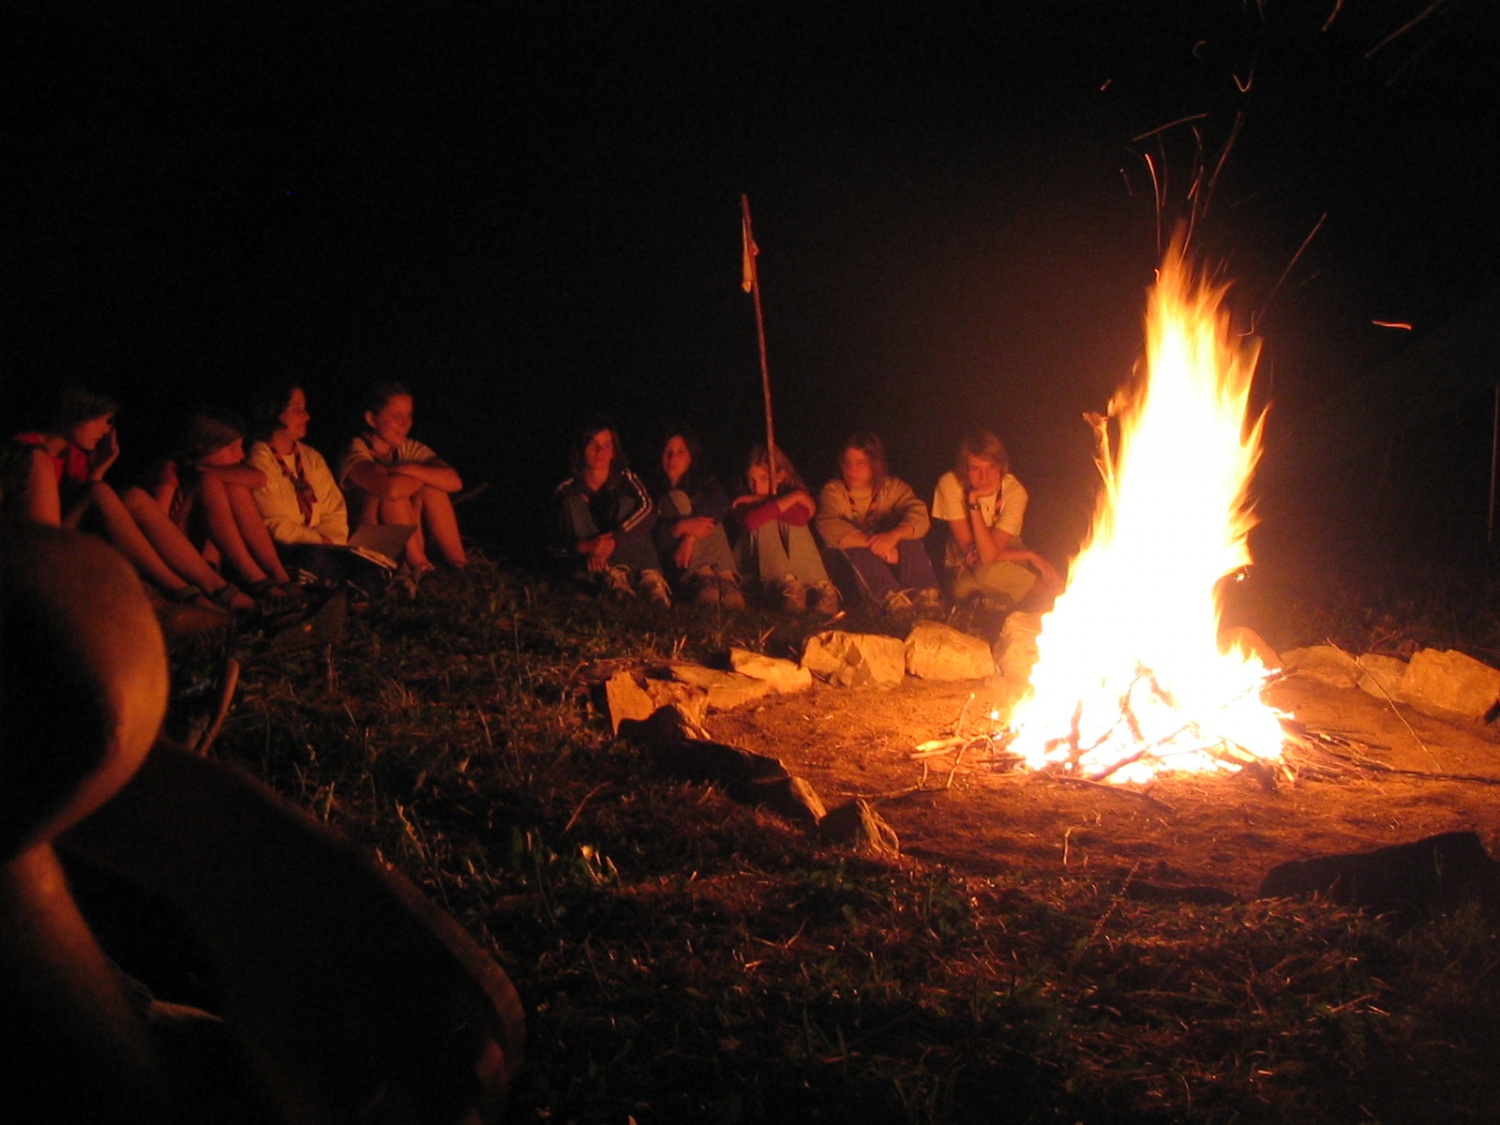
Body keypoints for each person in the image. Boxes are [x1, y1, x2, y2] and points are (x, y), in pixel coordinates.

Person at [3, 386, 254, 620]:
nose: (106, 430)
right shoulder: (29, 454)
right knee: (99, 491)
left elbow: (84, 511)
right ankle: (181, 591)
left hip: (68, 543)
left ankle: (213, 587)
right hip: (36, 562)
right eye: (102, 420)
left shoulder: (74, 455)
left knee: (132, 497)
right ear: (75, 412)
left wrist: (99, 468)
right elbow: (48, 542)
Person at [144, 405, 301, 602]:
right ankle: (255, 579)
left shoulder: (212, 470)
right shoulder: (169, 472)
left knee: (235, 486)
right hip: (184, 560)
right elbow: (156, 528)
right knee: (212, 482)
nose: (241, 455)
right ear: (204, 446)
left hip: (212, 558)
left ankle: (277, 575)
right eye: (233, 448)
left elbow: (259, 478)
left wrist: (205, 471)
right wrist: (201, 478)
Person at [338, 382, 467, 574]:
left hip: (402, 540)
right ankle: (421, 568)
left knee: (432, 489)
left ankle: (461, 566)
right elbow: (391, 489)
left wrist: (406, 469)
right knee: (393, 496)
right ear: (372, 419)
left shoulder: (405, 449)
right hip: (364, 546)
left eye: (409, 416)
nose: (406, 423)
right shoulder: (356, 450)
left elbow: (455, 482)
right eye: (397, 417)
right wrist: (423, 475)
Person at [931, 429, 1062, 614]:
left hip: (1007, 551)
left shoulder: (1015, 492)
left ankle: (1051, 591)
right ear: (964, 468)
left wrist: (1024, 555)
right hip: (964, 560)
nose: (984, 477)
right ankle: (1013, 598)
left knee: (984, 573)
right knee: (962, 590)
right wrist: (973, 501)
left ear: (1001, 467)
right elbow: (971, 550)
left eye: (991, 467)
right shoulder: (950, 484)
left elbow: (988, 555)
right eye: (976, 469)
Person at [814, 431, 942, 619]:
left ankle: (924, 597)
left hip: (890, 561)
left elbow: (919, 514)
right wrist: (874, 544)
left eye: (860, 462)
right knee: (853, 546)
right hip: (850, 569)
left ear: (876, 464)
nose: (852, 469)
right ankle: (890, 600)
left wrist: (893, 537)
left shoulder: (892, 488)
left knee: (910, 539)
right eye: (847, 462)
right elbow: (826, 523)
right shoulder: (834, 491)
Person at [553, 416, 671, 606]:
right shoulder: (567, 489)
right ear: (581, 449)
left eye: (607, 445)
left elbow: (649, 510)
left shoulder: (625, 479)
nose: (600, 451)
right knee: (572, 504)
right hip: (590, 562)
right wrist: (586, 546)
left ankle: (649, 580)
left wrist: (614, 540)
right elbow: (552, 542)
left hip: (626, 554)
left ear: (614, 451)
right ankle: (594, 581)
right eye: (593, 444)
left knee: (626, 504)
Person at [729, 444, 840, 616]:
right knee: (763, 521)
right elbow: (751, 521)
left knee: (792, 523)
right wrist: (795, 497)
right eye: (751, 479)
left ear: (780, 476)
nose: (756, 486)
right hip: (754, 571)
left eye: (764, 478)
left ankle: (818, 587)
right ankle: (781, 586)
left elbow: (800, 518)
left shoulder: (789, 491)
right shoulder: (742, 500)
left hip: (796, 574)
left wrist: (767, 500)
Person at [247, 383, 351, 565]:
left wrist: (331, 543)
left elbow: (335, 512)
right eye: (297, 409)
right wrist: (318, 541)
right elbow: (274, 524)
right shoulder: (259, 459)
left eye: (305, 408)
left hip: (324, 552)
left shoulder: (311, 458)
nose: (307, 416)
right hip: (283, 555)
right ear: (274, 410)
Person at [649, 428, 744, 609]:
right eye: (668, 452)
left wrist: (690, 536)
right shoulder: (650, 487)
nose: (673, 458)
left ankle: (725, 578)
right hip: (675, 557)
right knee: (678, 498)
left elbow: (721, 503)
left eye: (680, 452)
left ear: (690, 457)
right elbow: (653, 535)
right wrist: (679, 527)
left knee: (711, 513)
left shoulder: (703, 481)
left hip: (691, 546)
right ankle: (702, 577)